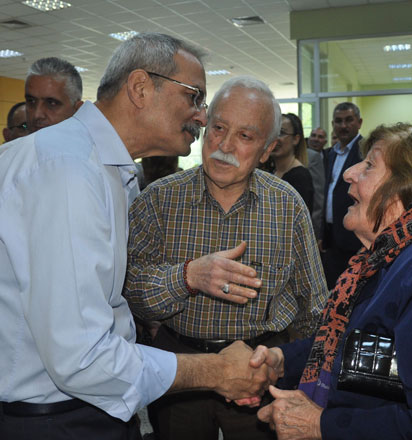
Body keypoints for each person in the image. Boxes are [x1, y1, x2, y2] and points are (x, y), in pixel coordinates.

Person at [0, 33, 274, 440]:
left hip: (89, 407)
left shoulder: (108, 171)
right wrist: (215, 371)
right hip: (57, 419)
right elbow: (81, 356)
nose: (200, 116)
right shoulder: (67, 171)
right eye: (194, 98)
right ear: (141, 87)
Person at [249, 124, 412, 440]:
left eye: (370, 165)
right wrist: (281, 361)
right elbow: (373, 354)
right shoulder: (390, 256)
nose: (349, 173)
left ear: (408, 189)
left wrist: (318, 425)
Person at [125, 76, 328, 440]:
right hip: (181, 369)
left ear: (267, 150)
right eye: (218, 128)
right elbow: (129, 292)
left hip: (261, 368)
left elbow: (314, 308)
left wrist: (299, 376)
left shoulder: (287, 207)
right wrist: (187, 277)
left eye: (245, 137)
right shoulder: (156, 201)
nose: (224, 145)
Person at [0, 57, 83, 169]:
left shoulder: (96, 159)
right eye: (31, 101)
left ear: (77, 110)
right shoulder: (2, 159)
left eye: (51, 103)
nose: (37, 114)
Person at [321, 102, 363, 289]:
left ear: (359, 122)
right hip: (332, 239)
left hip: (355, 240)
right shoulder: (331, 154)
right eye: (338, 121)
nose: (343, 126)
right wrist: (323, 232)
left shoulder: (365, 152)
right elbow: (329, 194)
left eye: (348, 120)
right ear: (333, 125)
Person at [272, 112, 314, 213]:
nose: (275, 139)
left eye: (281, 133)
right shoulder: (272, 171)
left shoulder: (300, 177)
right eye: (273, 133)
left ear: (295, 139)